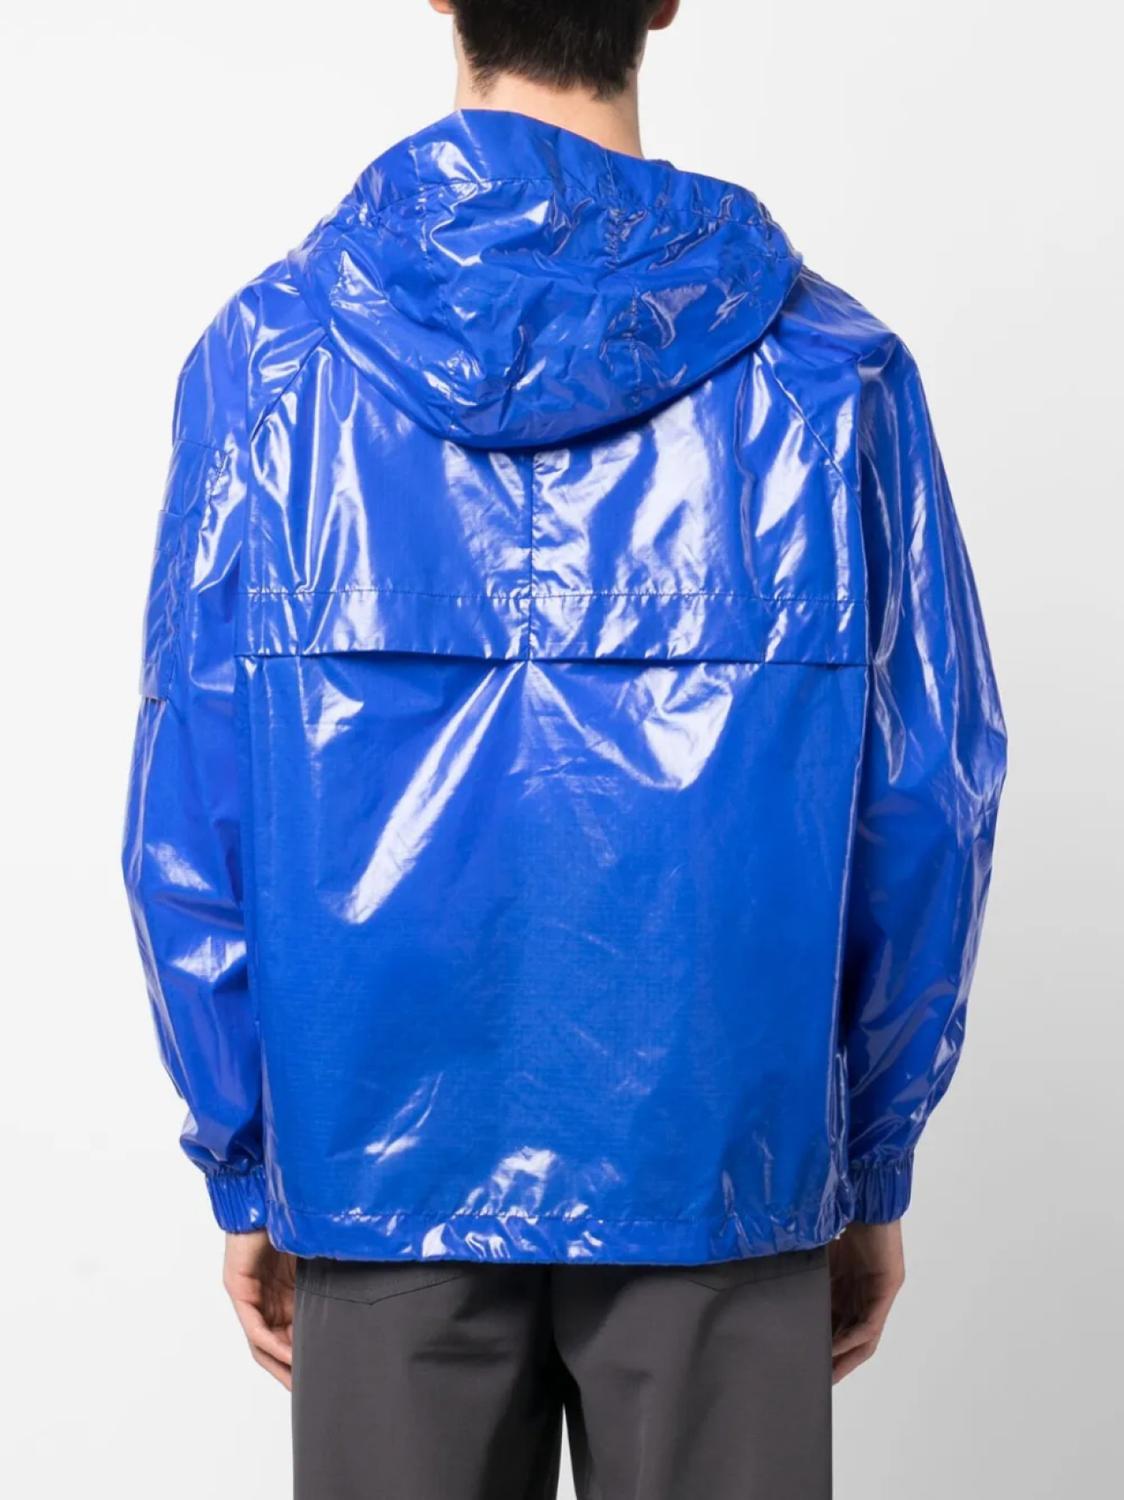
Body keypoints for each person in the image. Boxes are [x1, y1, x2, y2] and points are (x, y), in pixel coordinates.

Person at [122, 2, 1007, 1495]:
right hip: (726, 1165)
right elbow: (928, 800)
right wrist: (869, 1151)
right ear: (664, 0)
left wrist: (247, 1149)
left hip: (373, 1167)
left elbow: (187, 796)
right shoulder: (832, 376)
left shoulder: (267, 370)